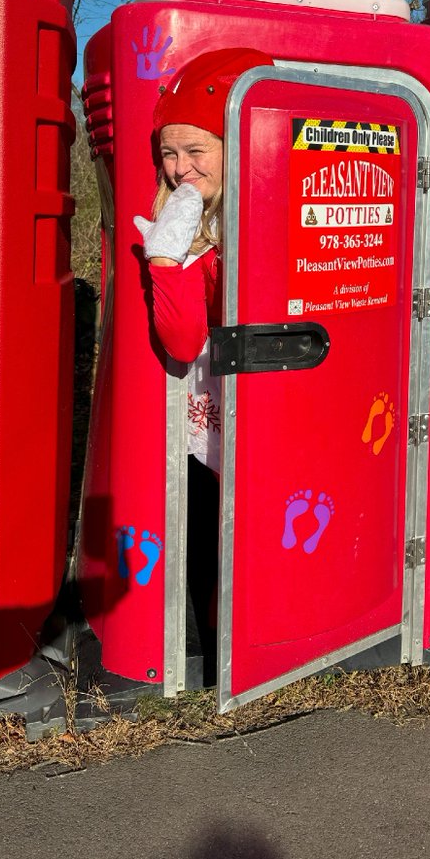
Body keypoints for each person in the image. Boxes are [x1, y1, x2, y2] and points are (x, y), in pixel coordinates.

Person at [133, 47, 272, 674]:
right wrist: (166, 258)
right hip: (212, 407)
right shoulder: (181, 226)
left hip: (268, 398)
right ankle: (224, 645)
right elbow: (184, 341)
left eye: (198, 151)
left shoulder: (262, 211)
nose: (182, 170)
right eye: (171, 154)